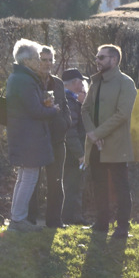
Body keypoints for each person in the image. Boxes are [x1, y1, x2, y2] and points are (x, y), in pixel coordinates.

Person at [82, 44, 137, 239]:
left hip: (115, 145)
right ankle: (101, 223)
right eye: (97, 57)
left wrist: (98, 134)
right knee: (98, 184)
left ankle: (122, 226)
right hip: (95, 144)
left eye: (101, 57)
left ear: (114, 60)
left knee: (121, 186)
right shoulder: (95, 82)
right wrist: (92, 134)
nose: (97, 60)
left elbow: (122, 114)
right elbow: (85, 110)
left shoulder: (126, 83)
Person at [5, 39, 58, 231]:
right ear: (27, 61)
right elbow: (35, 111)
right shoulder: (25, 80)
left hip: (23, 135)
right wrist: (54, 110)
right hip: (29, 137)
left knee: (24, 176)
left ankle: (17, 217)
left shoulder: (19, 77)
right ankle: (19, 220)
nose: (40, 61)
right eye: (36, 58)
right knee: (29, 177)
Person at [28, 45, 71, 228]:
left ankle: (54, 220)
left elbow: (65, 106)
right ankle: (29, 219)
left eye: (49, 60)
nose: (46, 63)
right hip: (35, 139)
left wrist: (66, 123)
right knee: (32, 181)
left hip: (56, 138)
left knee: (56, 181)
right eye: (42, 60)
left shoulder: (58, 83)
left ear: (53, 62)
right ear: (36, 61)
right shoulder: (30, 81)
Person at [61, 68, 88, 225]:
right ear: (75, 82)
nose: (82, 84)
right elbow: (71, 131)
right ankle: (73, 217)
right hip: (72, 152)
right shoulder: (69, 102)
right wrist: (80, 154)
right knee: (74, 184)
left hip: (68, 151)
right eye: (81, 81)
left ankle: (70, 216)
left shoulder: (70, 100)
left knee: (71, 184)